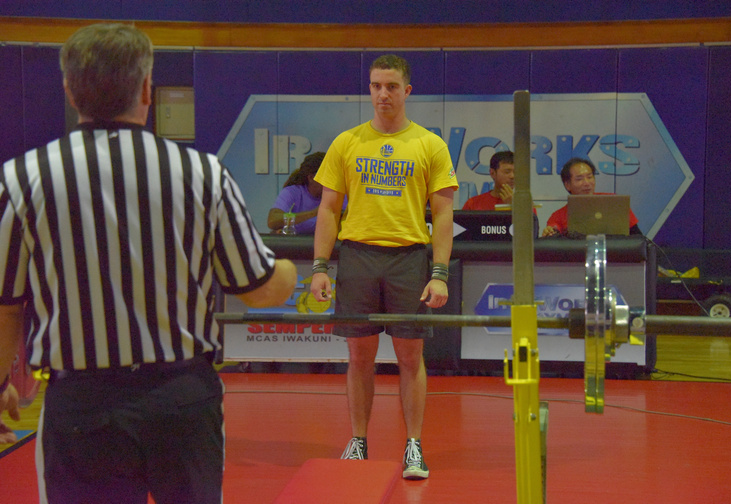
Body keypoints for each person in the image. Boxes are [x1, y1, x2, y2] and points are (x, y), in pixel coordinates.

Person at [0, 23, 297, 504]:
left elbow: (6, 306)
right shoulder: (203, 173)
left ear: (69, 90)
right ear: (145, 90)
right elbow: (259, 287)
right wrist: (293, 270)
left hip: (80, 406)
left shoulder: (21, 179)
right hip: (181, 398)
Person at [310, 54, 458, 480]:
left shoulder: (429, 145)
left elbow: (443, 214)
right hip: (358, 256)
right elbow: (328, 209)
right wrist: (320, 267)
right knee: (359, 356)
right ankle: (358, 441)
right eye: (376, 85)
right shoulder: (347, 142)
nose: (383, 94)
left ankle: (414, 446)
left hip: (408, 258)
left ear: (406, 91)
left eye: (391, 86)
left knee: (411, 356)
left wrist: (440, 273)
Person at [541, 157, 641, 237]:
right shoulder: (558, 216)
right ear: (567, 185)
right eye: (579, 179)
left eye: (590, 177)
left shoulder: (614, 202)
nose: (587, 183)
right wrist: (549, 232)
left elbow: (637, 237)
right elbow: (552, 233)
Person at [268, 151, 326, 234]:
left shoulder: (338, 195)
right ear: (311, 178)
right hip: (294, 241)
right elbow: (272, 220)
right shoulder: (292, 192)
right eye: (328, 176)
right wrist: (314, 213)